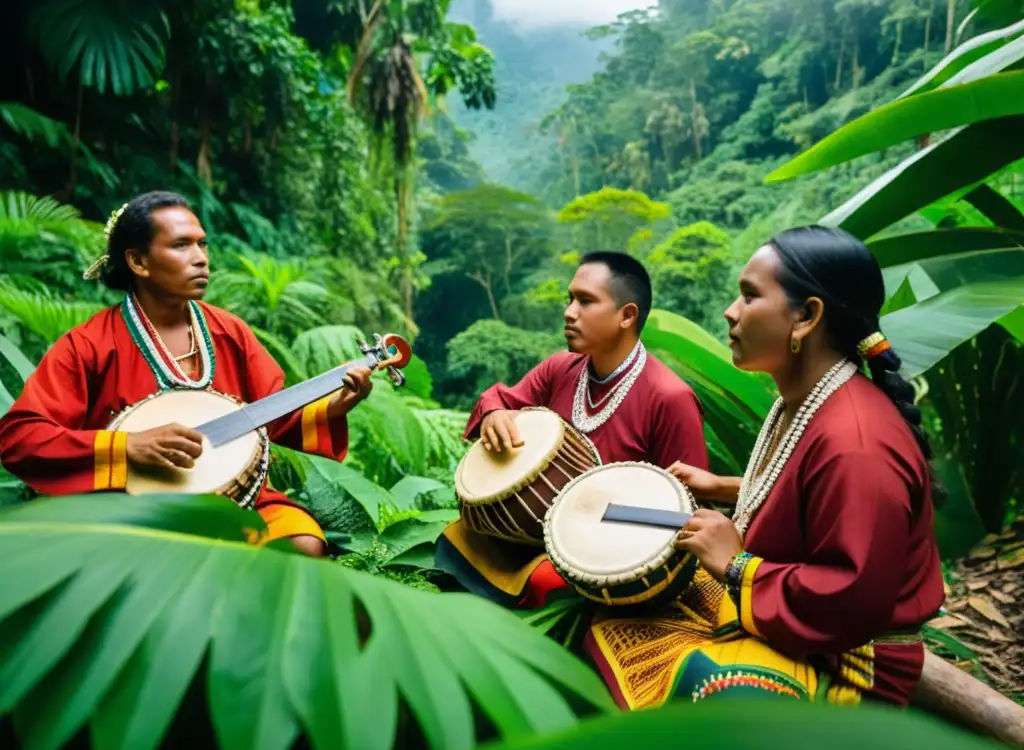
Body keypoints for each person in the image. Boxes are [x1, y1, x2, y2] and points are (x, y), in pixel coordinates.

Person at [583, 225, 946, 710]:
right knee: (613, 621)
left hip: (847, 664)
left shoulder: (856, 442)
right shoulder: (809, 402)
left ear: (806, 317)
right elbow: (814, 494)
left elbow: (851, 600)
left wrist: (736, 564)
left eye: (749, 296)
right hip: (796, 622)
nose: (730, 312)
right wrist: (729, 487)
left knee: (697, 681)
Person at [0, 191, 372, 557]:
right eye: (181, 246)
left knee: (302, 545)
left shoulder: (231, 333)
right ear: (138, 262)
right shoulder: (89, 344)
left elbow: (271, 418)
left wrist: (333, 407)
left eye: (202, 245)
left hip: (236, 503)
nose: (201, 259)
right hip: (128, 507)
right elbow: (20, 438)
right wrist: (127, 447)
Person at [436, 250, 710, 608]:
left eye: (586, 301)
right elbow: (499, 399)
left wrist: (600, 518)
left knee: (546, 581)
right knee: (454, 542)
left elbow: (687, 512)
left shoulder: (670, 397)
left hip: (611, 559)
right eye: (570, 299)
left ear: (627, 315)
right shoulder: (560, 368)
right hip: (536, 536)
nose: (569, 312)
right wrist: (493, 414)